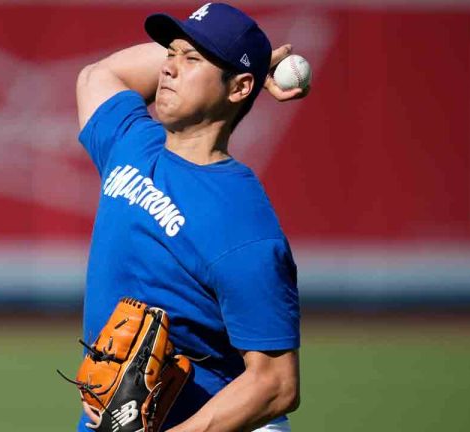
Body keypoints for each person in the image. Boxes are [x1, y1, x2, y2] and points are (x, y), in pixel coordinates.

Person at [75, 3, 307, 432]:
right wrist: (249, 63)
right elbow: (99, 76)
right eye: (170, 53)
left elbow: (276, 384)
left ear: (237, 88)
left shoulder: (243, 225)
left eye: (192, 59)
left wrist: (246, 73)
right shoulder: (130, 142)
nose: (168, 69)